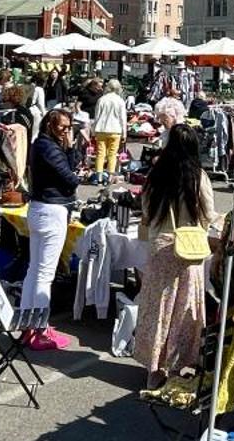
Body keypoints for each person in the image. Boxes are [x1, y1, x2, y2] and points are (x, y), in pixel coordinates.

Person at [133, 122, 217, 389]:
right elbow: (208, 213)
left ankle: (153, 369)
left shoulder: (156, 174)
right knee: (184, 310)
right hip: (187, 249)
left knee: (157, 309)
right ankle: (179, 364)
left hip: (160, 247)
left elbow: (146, 210)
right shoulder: (197, 177)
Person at [20, 108, 79, 351]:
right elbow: (70, 177)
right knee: (44, 274)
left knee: (35, 270)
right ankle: (40, 328)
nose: (65, 131)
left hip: (39, 209)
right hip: (51, 211)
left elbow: (69, 165)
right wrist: (74, 167)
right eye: (61, 127)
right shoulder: (48, 147)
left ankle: (27, 322)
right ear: (49, 126)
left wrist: (70, 146)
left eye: (68, 127)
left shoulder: (42, 144)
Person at [90, 78, 127, 186]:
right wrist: (124, 133)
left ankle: (99, 178)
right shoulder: (120, 100)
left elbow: (96, 116)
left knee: (100, 154)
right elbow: (123, 118)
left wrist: (93, 130)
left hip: (101, 129)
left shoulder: (101, 99)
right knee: (112, 154)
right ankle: (109, 177)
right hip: (115, 130)